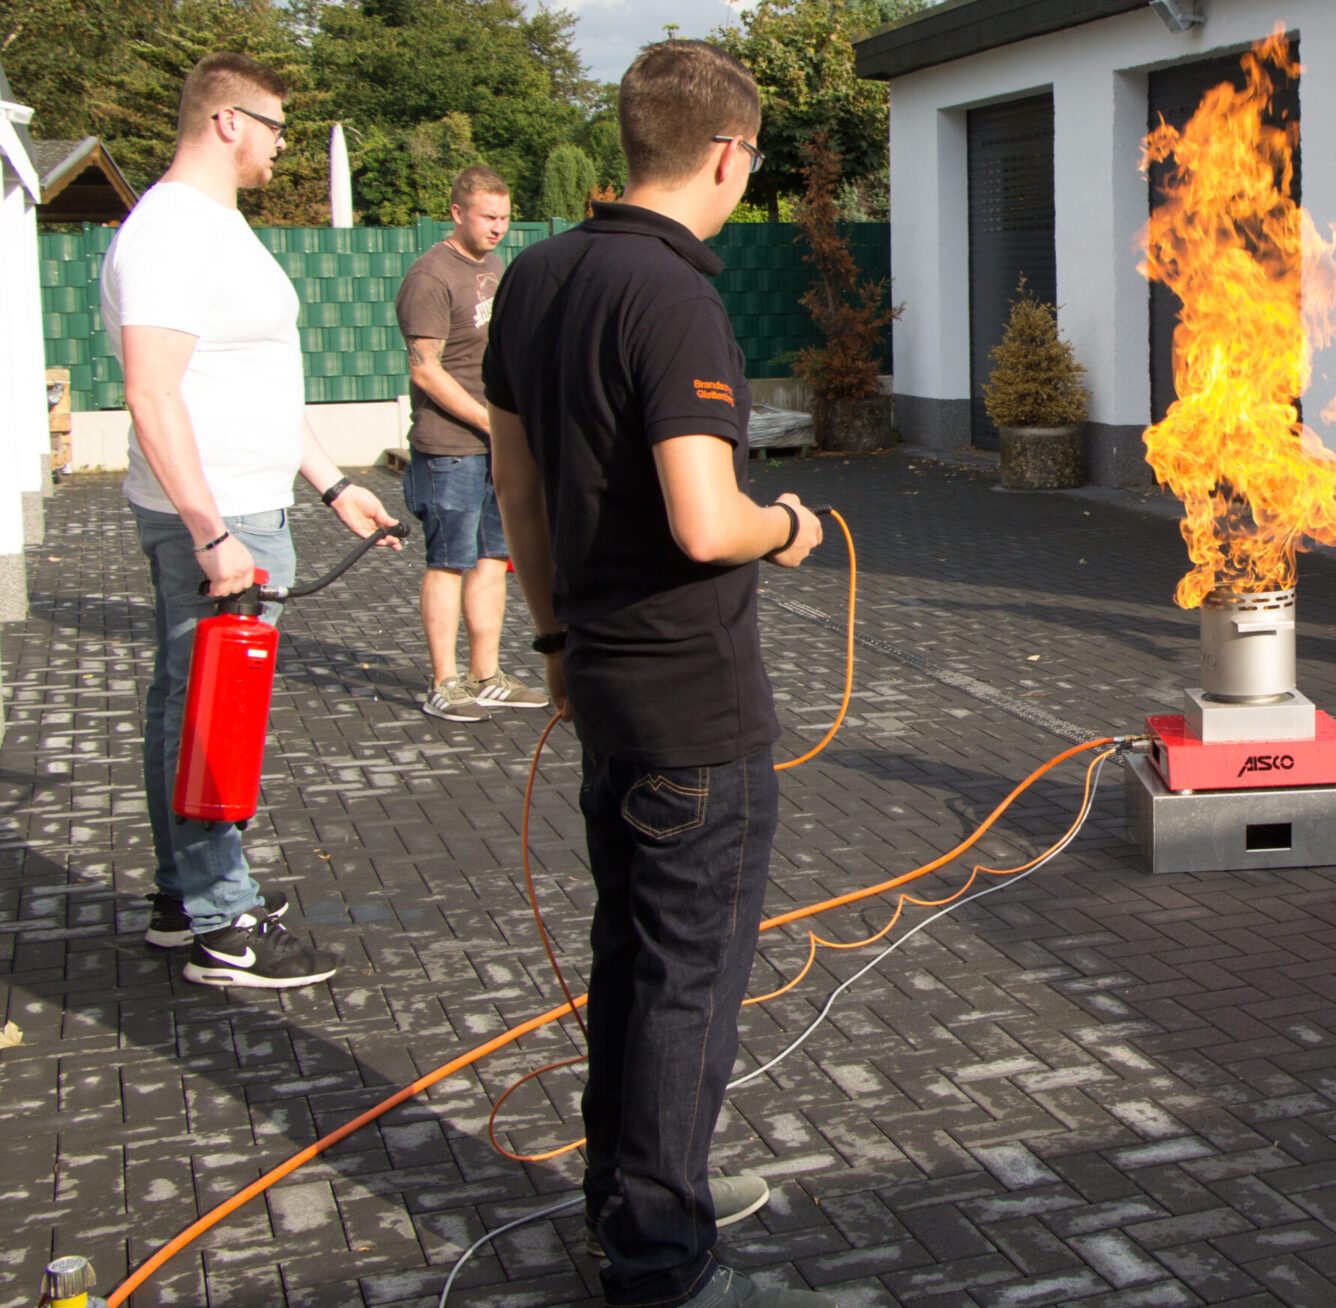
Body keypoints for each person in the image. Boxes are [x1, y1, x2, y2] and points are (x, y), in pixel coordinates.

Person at [483, 40, 831, 1308]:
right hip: (694, 706)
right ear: (729, 154)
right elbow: (702, 519)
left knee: (628, 958)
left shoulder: (532, 277)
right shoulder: (676, 297)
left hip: (602, 688)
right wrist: (786, 525)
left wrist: (557, 645)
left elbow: (517, 493)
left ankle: (623, 1200)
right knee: (687, 983)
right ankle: (659, 1255)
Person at [103, 52, 401, 987]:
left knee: (184, 710)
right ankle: (221, 922)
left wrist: (329, 483)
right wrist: (208, 530)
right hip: (219, 518)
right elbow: (151, 395)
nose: (282, 145)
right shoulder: (169, 233)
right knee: (213, 717)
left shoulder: (216, 227)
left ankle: (182, 896)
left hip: (246, 502)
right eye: (274, 127)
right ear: (227, 121)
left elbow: (250, 384)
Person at [397, 166, 549, 721]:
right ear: (457, 212)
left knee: (493, 557)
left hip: (494, 446)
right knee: (448, 560)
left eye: (505, 218)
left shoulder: (495, 267)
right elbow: (425, 371)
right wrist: (492, 422)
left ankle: (487, 675)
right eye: (488, 217)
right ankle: (444, 681)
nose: (498, 228)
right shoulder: (430, 277)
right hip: (449, 446)